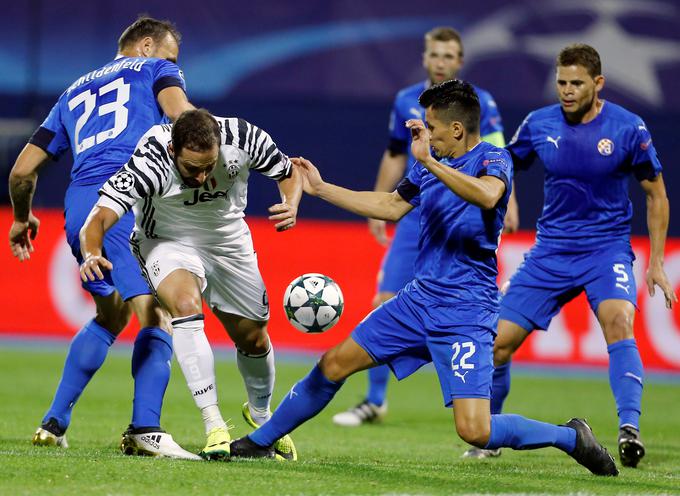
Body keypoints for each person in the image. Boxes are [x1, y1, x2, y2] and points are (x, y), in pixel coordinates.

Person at [229, 80, 619, 477]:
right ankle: (260, 442)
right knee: (333, 363)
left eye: (432, 127)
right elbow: (392, 205)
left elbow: (487, 196)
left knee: (475, 430)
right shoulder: (430, 162)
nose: (425, 134)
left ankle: (571, 437)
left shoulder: (493, 159)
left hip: (466, 311)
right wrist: (321, 189)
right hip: (416, 302)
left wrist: (431, 162)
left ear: (456, 129)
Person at [472, 44, 677, 467]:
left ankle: (629, 429)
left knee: (619, 322)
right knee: (496, 344)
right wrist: (501, 195)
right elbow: (505, 164)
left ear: (598, 84)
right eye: (562, 82)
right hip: (550, 253)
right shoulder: (538, 123)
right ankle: (487, 431)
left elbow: (655, 194)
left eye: (576, 83)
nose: (566, 91)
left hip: (606, 250)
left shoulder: (628, 128)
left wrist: (656, 261)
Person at [8, 17, 198, 459]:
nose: (175, 66)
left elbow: (21, 172)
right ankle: (145, 429)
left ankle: (53, 424)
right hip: (125, 200)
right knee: (158, 314)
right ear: (147, 46)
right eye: (171, 57)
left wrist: (22, 219)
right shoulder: (155, 70)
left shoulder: (71, 93)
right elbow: (181, 116)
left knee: (112, 315)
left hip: (80, 213)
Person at [79, 109, 301, 461]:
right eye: (192, 168)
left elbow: (288, 172)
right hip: (166, 240)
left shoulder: (243, 137)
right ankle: (214, 425)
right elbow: (99, 218)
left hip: (228, 241)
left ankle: (263, 418)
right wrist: (91, 253)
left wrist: (291, 204)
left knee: (254, 338)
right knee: (184, 306)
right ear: (172, 150)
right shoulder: (150, 161)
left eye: (208, 167)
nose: (201, 177)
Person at [332, 26, 515, 428]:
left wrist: (509, 203)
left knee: (490, 332)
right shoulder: (405, 102)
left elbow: (496, 158)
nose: (441, 62)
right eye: (435, 54)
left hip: (462, 215)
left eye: (449, 56)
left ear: (459, 61)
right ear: (425, 57)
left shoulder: (479, 104)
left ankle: (489, 411)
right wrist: (377, 205)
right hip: (416, 214)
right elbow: (395, 155)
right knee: (383, 299)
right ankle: (374, 400)